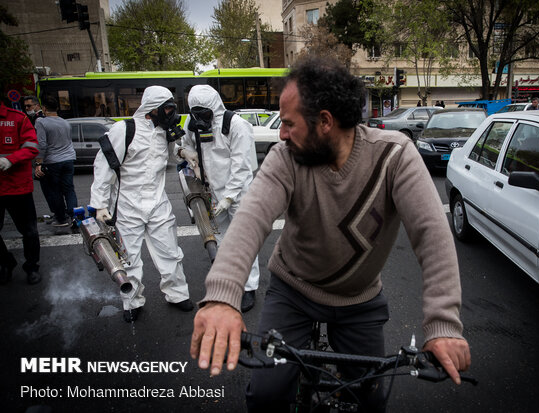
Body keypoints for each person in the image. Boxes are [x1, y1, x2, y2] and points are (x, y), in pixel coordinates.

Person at [190, 57, 471, 412]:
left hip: (359, 300)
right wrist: (221, 297)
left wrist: (444, 325)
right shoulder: (285, 158)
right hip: (292, 291)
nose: (281, 134)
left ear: (324, 122)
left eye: (289, 124)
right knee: (266, 396)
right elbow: (249, 220)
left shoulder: (395, 156)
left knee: (370, 400)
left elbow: (432, 236)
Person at [90, 86, 193, 323]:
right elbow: (104, 165)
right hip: (127, 205)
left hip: (158, 202)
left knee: (170, 253)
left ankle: (177, 294)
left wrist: (183, 153)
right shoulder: (124, 129)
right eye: (167, 108)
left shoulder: (164, 131)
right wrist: (100, 204)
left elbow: (169, 156)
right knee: (129, 258)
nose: (170, 113)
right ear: (152, 109)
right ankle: (132, 301)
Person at [176, 85, 261, 312]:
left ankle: (249, 287)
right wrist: (185, 152)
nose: (200, 117)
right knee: (220, 237)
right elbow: (183, 146)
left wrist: (229, 198)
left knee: (243, 240)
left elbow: (241, 166)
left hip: (239, 192)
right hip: (211, 191)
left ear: (213, 106)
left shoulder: (235, 125)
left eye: (204, 112)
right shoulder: (193, 123)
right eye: (196, 112)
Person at [0, 102, 42, 285]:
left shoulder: (17, 118)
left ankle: (32, 267)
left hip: (18, 187)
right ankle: (6, 262)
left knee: (30, 231)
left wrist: (10, 159)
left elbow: (32, 147)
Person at [33, 96, 78, 227]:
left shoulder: (41, 122)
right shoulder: (65, 122)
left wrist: (39, 163)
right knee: (69, 189)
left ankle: (61, 218)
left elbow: (41, 144)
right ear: (57, 108)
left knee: (55, 190)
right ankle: (74, 216)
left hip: (52, 161)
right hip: (69, 159)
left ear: (44, 108)